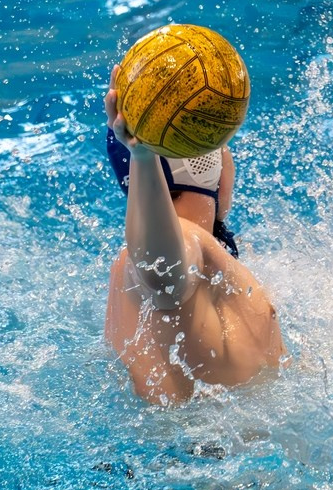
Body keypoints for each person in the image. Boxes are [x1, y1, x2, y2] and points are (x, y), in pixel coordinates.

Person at [103, 65, 286, 406]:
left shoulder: (123, 272)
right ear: (209, 164)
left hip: (175, 454)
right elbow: (162, 277)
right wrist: (144, 157)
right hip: (230, 454)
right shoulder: (188, 241)